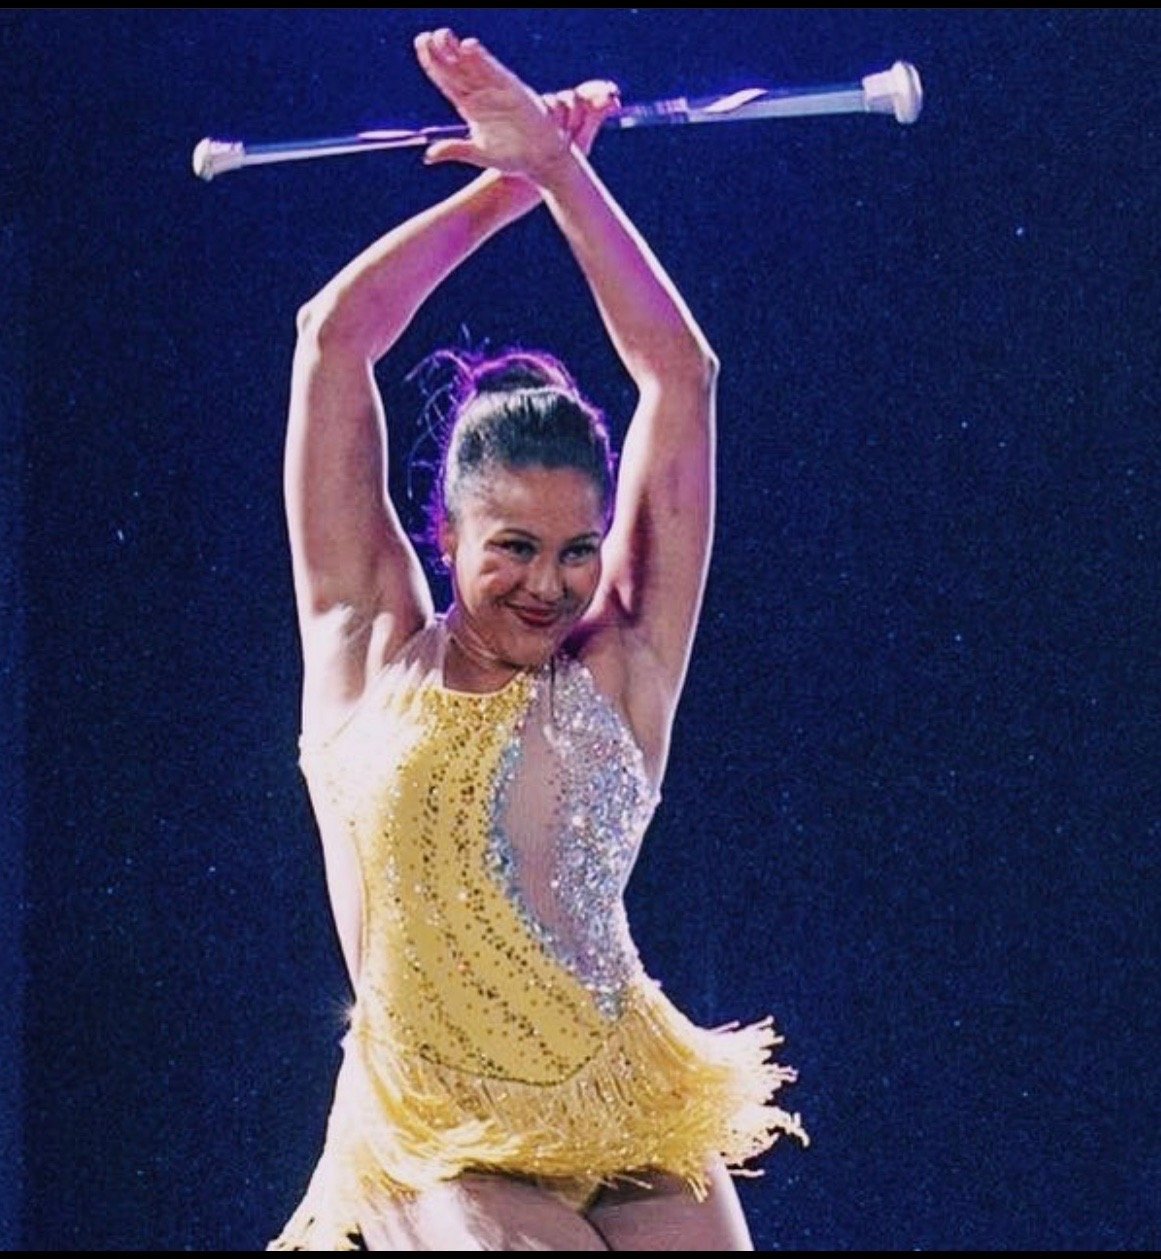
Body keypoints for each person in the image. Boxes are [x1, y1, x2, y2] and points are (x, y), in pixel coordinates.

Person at [268, 26, 808, 1252]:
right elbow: (332, 339)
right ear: (443, 533)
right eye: (511, 546)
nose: (549, 585)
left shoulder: (623, 665)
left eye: (576, 549)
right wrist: (505, 184)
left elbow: (682, 376)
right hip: (438, 1123)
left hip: (623, 1097)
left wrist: (571, 175)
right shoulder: (364, 648)